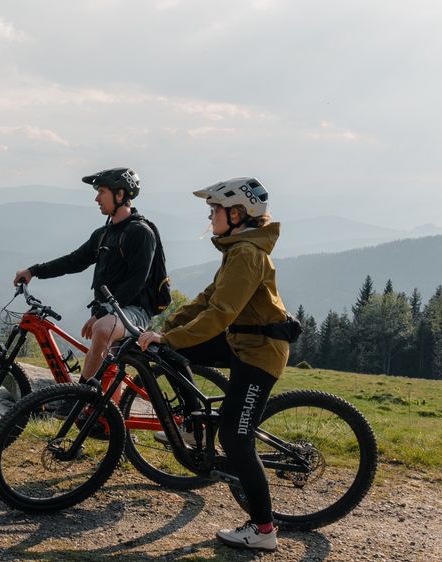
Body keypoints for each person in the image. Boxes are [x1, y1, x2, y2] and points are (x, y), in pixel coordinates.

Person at [135, 177, 289, 552]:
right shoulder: (237, 249)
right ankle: (191, 426)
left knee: (236, 438)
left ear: (236, 213)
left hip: (260, 352)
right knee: (169, 353)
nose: (210, 216)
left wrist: (170, 337)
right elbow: (207, 298)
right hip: (242, 340)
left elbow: (220, 313)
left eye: (215, 210)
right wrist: (167, 328)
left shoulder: (248, 254)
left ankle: (264, 530)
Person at [13, 167, 157, 386]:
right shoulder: (104, 234)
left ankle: (80, 398)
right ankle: (105, 416)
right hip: (111, 310)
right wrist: (34, 271)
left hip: (134, 311)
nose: (96, 198)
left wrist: (103, 312)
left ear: (120, 195)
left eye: (101, 192)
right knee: (108, 370)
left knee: (102, 329)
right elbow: (74, 261)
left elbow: (136, 282)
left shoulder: (140, 233)